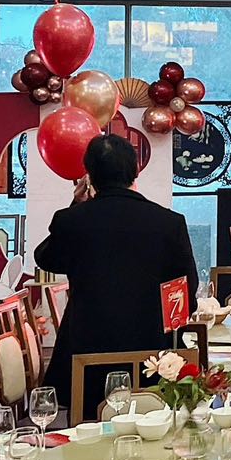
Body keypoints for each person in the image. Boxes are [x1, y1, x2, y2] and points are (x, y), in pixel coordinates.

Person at [38, 135, 198, 412]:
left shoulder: (71, 220)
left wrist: (77, 205)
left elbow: (47, 259)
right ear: (135, 171)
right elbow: (186, 290)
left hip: (85, 357)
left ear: (89, 175)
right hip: (152, 357)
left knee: (86, 428)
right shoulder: (168, 223)